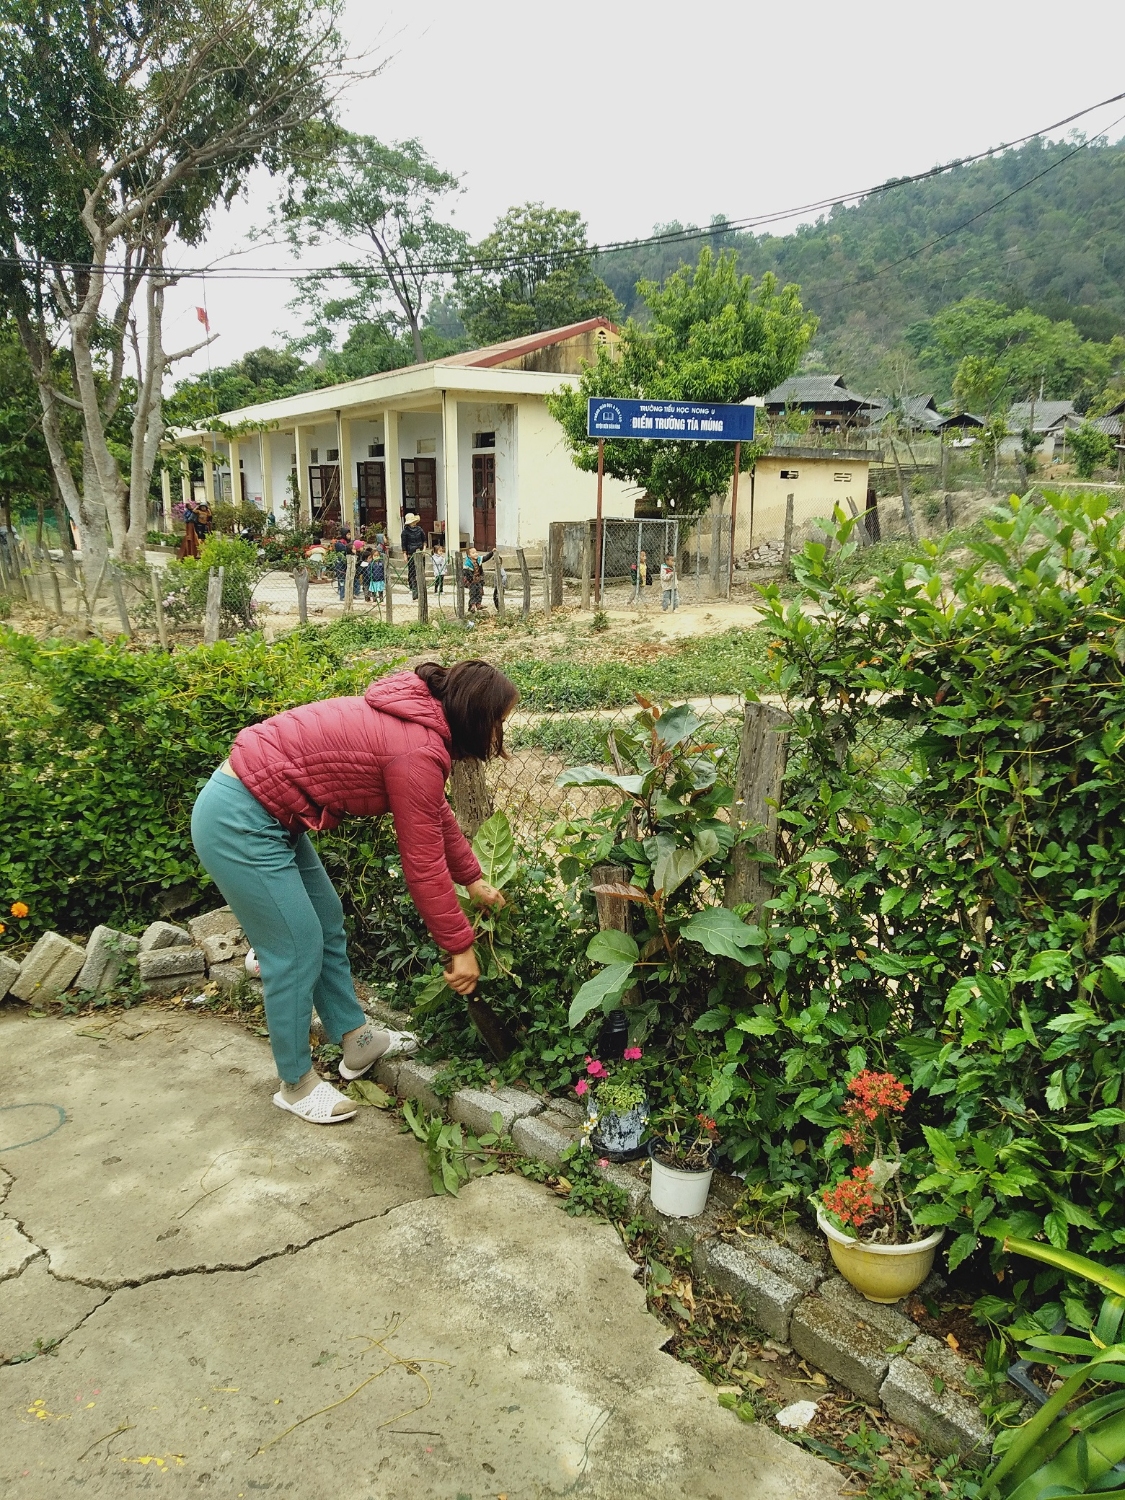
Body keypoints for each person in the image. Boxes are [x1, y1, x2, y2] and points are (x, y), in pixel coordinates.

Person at [190, 661, 519, 1126]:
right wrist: (459, 947)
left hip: (270, 815)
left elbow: (435, 811)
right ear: (475, 717)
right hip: (238, 818)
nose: (499, 734)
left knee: (325, 922)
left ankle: (356, 1041)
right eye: (499, 723)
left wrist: (470, 876)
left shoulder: (420, 726)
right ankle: (296, 1083)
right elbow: (422, 868)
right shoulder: (416, 750)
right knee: (293, 947)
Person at [401, 511, 426, 599]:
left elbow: (424, 540)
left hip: (420, 553)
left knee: (421, 570)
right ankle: (412, 587)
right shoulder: (405, 532)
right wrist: (405, 554)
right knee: (412, 571)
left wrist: (424, 549)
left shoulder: (420, 529)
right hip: (411, 553)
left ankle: (421, 586)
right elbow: (404, 544)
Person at [463, 545, 493, 612]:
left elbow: (485, 558)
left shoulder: (479, 559)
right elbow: (466, 573)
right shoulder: (468, 563)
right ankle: (472, 605)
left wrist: (492, 552)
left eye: (476, 552)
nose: (475, 554)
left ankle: (478, 604)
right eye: (473, 553)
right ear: (469, 555)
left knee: (479, 592)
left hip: (479, 579)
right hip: (472, 581)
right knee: (473, 593)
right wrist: (471, 579)